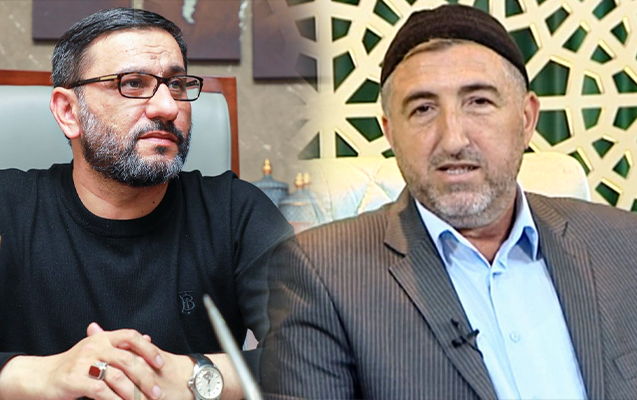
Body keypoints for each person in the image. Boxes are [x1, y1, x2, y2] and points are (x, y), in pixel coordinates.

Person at [261, 4, 637, 399]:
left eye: (479, 102)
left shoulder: (623, 244)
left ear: (527, 119)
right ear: (390, 133)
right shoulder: (322, 276)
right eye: (423, 109)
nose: (454, 139)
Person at [0, 7, 292, 400]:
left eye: (177, 84)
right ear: (69, 112)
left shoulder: (236, 212)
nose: (168, 108)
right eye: (133, 84)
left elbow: (316, 350)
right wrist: (44, 374)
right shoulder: (7, 208)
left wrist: (194, 375)